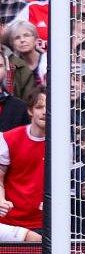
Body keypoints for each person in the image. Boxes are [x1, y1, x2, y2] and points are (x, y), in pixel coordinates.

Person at [0, 91, 45, 243]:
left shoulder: (63, 143)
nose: (45, 112)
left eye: (49, 107)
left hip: (45, 222)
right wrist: (1, 199)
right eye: (39, 107)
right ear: (30, 111)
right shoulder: (8, 138)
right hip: (9, 221)